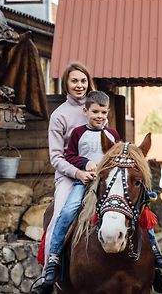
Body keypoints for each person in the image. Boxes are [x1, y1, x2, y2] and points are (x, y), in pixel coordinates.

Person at [44, 90, 120, 285]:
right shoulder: (79, 133)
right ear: (85, 111)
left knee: (134, 207)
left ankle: (153, 252)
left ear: (108, 112)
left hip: (108, 183)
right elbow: (69, 156)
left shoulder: (112, 134)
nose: (100, 117)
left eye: (103, 113)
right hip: (84, 182)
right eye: (95, 112)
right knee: (68, 210)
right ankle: (53, 254)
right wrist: (84, 162)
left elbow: (118, 156)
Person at [31, 62, 95, 294]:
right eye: (74, 81)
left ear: (89, 83)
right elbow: (56, 158)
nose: (79, 85)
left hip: (98, 172)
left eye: (83, 81)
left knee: (132, 206)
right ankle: (50, 272)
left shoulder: (97, 108)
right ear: (66, 84)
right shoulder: (59, 115)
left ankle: (153, 265)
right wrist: (79, 173)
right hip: (69, 176)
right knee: (60, 215)